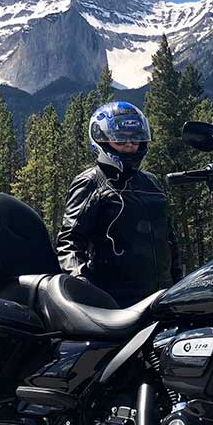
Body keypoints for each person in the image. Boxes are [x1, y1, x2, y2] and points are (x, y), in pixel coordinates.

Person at [56, 101, 181, 307]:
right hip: (114, 301)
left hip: (162, 296)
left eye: (135, 138)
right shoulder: (90, 181)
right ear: (101, 139)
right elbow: (69, 240)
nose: (130, 145)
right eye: (120, 139)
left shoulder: (151, 182)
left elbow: (168, 238)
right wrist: (81, 283)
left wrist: (178, 282)